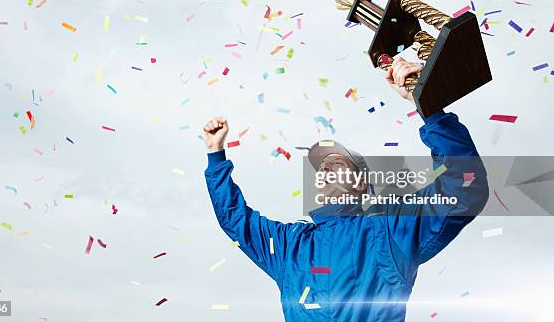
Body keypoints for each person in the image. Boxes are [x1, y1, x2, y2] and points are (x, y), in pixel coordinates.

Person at [202, 57, 489, 321]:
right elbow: (237, 221)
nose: (324, 171)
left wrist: (428, 105)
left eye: (336, 164)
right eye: (321, 168)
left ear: (361, 182)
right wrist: (215, 155)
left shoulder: (390, 230)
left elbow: (464, 187)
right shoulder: (292, 245)